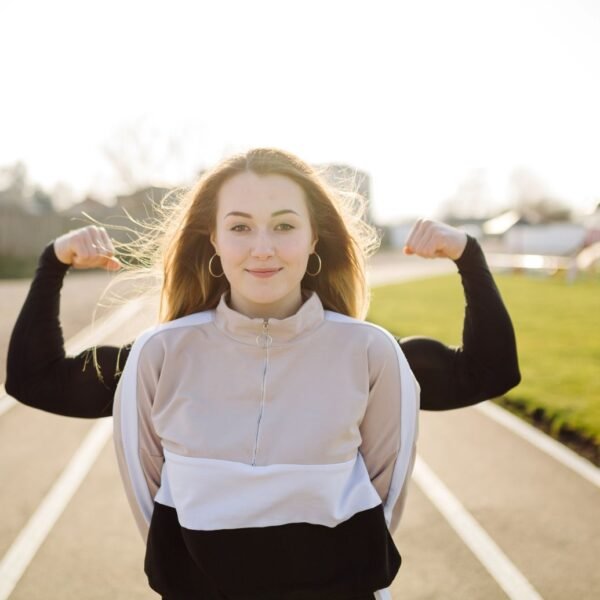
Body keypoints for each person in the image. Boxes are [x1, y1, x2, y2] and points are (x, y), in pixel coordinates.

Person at [5, 148, 519, 599]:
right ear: (215, 239)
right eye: (240, 226)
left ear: (315, 237)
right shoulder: (160, 355)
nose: (263, 247)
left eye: (284, 225)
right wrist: (53, 263)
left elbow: (481, 379)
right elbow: (39, 381)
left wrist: (468, 257)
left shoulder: (369, 352)